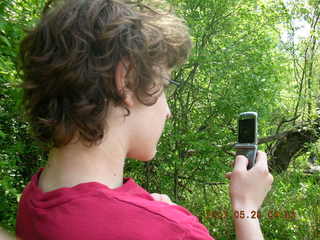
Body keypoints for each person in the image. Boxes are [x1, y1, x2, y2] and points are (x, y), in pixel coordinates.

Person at [16, 0, 273, 239]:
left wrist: (150, 210)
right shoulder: (171, 231)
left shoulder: (35, 196)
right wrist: (246, 208)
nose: (167, 111)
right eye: (164, 84)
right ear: (126, 81)